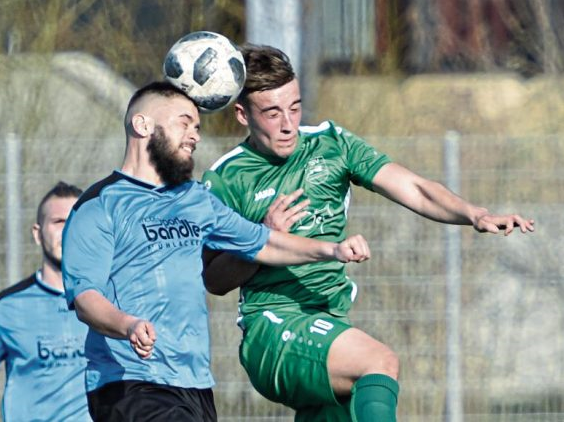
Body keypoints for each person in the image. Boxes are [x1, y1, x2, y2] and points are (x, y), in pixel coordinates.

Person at [201, 44, 535, 422]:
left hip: (331, 323)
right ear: (243, 114)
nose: (288, 124)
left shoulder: (332, 144)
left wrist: (474, 213)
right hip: (272, 329)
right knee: (378, 361)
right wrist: (262, 237)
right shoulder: (226, 178)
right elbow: (214, 280)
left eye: (295, 107)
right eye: (273, 113)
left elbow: (416, 188)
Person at [61, 80, 370, 422]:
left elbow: (264, 242)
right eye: (184, 123)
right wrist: (128, 325)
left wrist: (332, 249)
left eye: (197, 127)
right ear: (142, 125)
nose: (194, 136)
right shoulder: (100, 204)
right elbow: (86, 298)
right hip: (129, 381)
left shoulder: (194, 199)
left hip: (194, 383)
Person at [0, 181, 90, 422]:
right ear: (37, 233)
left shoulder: (113, 303)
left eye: (76, 221)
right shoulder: (7, 308)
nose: (68, 229)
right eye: (59, 222)